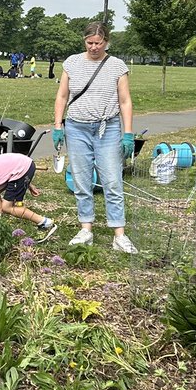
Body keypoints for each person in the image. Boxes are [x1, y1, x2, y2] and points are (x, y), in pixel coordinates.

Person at [53, 21, 137, 253]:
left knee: (112, 180)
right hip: (76, 128)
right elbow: (62, 96)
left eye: (98, 43)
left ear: (106, 42)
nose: (94, 47)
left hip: (107, 128)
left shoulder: (117, 66)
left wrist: (128, 133)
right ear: (84, 41)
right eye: (89, 43)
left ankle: (119, 234)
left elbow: (125, 101)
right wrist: (58, 125)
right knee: (81, 180)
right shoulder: (72, 63)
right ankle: (86, 228)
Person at [0, 152, 58, 241]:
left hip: (22, 168)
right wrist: (28, 184)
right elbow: (3, 170)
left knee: (7, 207)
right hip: (21, 166)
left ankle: (46, 222)